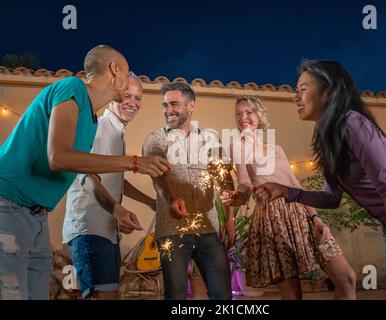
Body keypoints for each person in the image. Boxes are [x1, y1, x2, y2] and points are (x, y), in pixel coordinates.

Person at [254, 60, 386, 300]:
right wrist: (285, 191)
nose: (295, 96)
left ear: (328, 92)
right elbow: (332, 198)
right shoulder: (327, 137)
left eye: (303, 88)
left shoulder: (353, 123)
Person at [0, 45, 170, 300]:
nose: (134, 99)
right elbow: (59, 158)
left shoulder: (90, 121)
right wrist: (134, 162)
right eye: (126, 70)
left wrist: (134, 200)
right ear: (115, 69)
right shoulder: (72, 88)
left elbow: (92, 169)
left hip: (36, 219)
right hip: (8, 207)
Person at [220, 95, 356, 300]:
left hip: (301, 212)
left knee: (347, 278)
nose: (243, 117)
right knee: (292, 295)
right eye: (238, 113)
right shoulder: (239, 147)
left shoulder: (276, 149)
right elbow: (244, 182)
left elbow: (295, 184)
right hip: (273, 219)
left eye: (249, 112)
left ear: (259, 115)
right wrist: (240, 195)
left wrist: (315, 217)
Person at [63, 72, 156, 299]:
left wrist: (150, 201)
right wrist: (117, 210)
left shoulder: (117, 132)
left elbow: (113, 177)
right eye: (127, 96)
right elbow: (88, 177)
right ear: (114, 95)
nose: (133, 103)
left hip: (106, 231)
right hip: (90, 228)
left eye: (138, 98)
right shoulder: (100, 127)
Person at [142, 82, 235, 300]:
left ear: (191, 106)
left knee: (222, 295)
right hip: (171, 231)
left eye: (174, 104)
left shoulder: (209, 139)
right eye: (165, 105)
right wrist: (171, 199)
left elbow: (224, 179)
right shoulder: (156, 139)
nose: (168, 110)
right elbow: (158, 179)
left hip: (209, 229)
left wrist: (229, 220)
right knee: (175, 296)